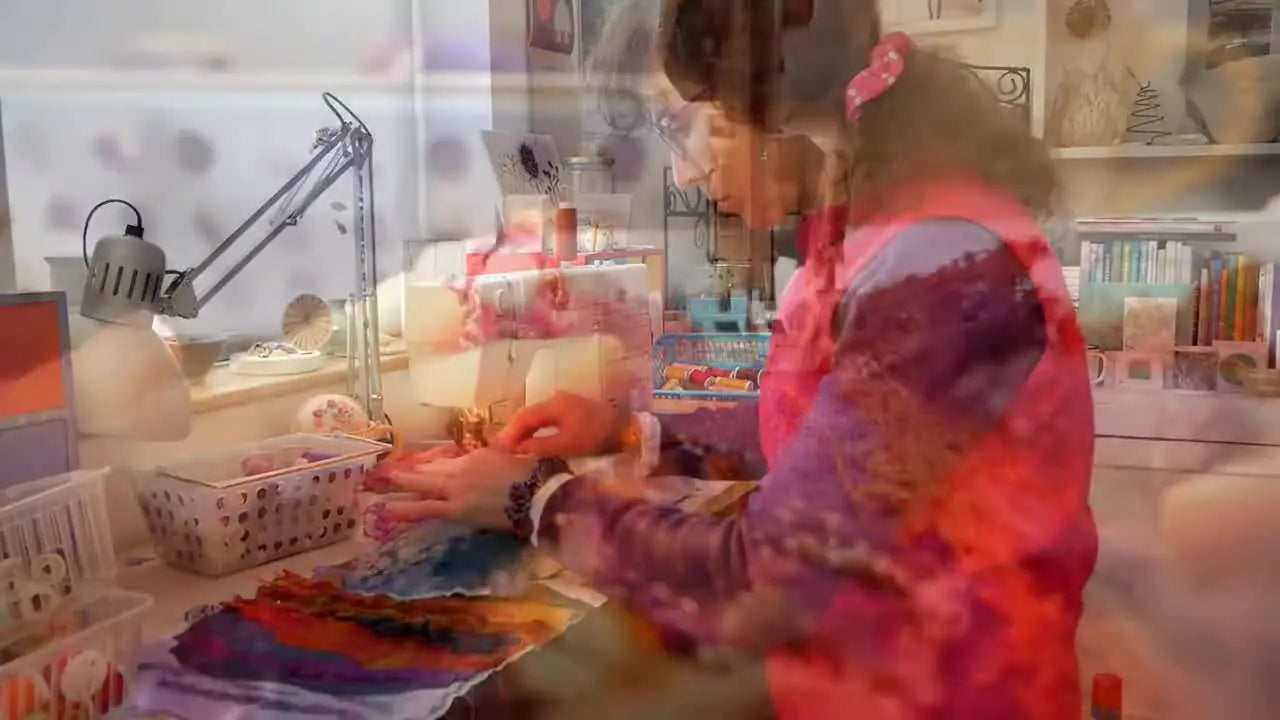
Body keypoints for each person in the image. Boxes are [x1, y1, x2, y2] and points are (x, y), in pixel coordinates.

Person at [374, 1, 1099, 717]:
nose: (686, 175)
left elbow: (769, 575)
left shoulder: (943, 261)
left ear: (769, 105)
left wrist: (535, 500)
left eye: (692, 124)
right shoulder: (864, 231)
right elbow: (818, 430)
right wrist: (629, 433)